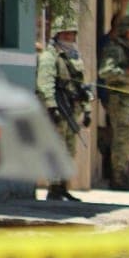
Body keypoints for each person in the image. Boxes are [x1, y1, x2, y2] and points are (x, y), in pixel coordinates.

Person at [36, 16, 92, 201]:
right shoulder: (49, 56)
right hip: (58, 110)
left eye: (72, 34)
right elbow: (45, 83)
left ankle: (62, 187)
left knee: (69, 149)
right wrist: (52, 107)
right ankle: (54, 187)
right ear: (58, 34)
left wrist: (87, 108)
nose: (69, 37)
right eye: (65, 33)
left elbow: (81, 85)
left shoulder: (74, 57)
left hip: (72, 109)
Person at [99, 14, 129, 190]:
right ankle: (118, 178)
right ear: (125, 32)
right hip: (119, 100)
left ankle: (125, 174)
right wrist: (126, 72)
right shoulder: (115, 48)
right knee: (122, 140)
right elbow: (105, 72)